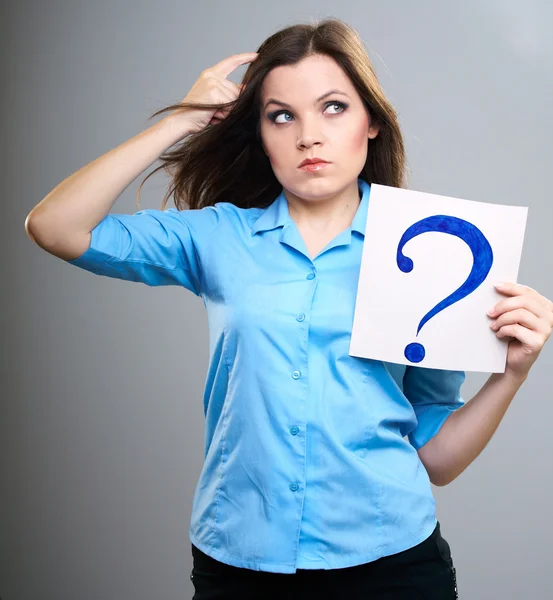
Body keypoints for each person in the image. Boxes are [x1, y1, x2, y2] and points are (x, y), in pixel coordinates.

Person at [25, 17, 553, 600]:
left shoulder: (429, 249)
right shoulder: (219, 237)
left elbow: (438, 460)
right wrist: (181, 120)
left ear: (371, 122)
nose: (309, 136)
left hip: (393, 566)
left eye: (334, 108)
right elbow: (55, 227)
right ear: (260, 131)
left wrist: (512, 375)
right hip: (240, 561)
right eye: (283, 115)